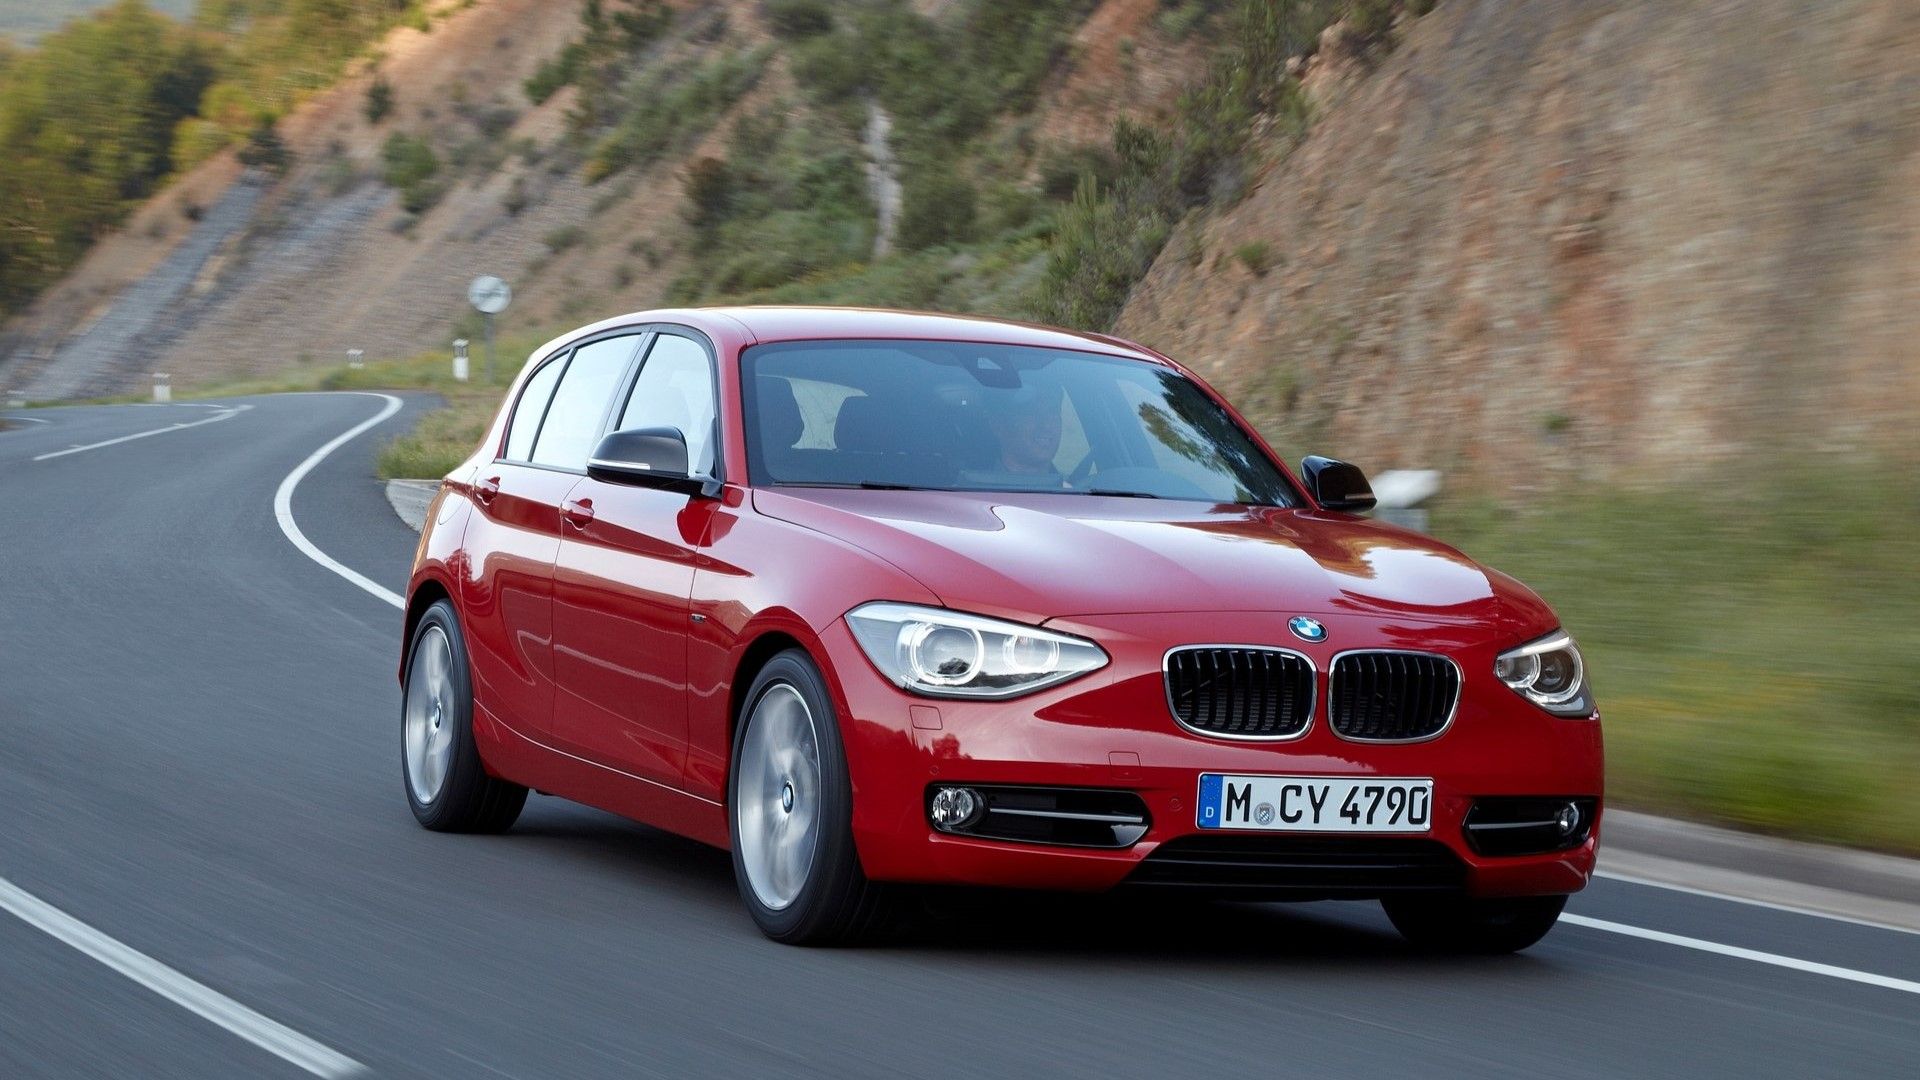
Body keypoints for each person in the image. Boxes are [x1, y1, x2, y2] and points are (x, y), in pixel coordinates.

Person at [984, 379, 1065, 483]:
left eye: (1052, 412)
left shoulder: (1080, 489)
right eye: (1032, 412)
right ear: (998, 425)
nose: (1046, 425)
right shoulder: (970, 488)